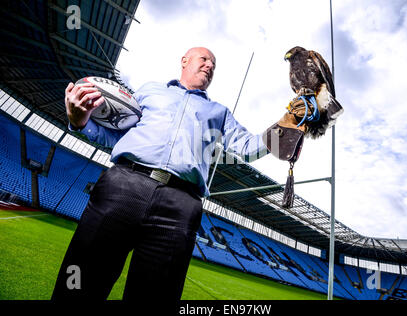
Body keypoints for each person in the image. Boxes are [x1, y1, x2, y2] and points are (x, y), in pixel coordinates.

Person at [51, 47, 268, 302]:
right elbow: (116, 136)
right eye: (205, 59)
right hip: (123, 185)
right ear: (184, 61)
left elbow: (249, 147)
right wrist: (80, 122)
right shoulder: (149, 91)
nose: (210, 65)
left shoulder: (219, 112)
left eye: (214, 64)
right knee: (80, 281)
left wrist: (292, 123)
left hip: (180, 204)